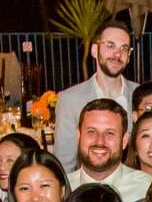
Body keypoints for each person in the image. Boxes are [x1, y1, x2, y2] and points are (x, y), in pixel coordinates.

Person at [54, 18, 137, 170]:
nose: (117, 54)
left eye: (124, 48)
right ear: (94, 50)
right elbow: (64, 163)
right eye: (110, 45)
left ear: (129, 56)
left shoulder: (140, 96)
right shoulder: (70, 100)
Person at [69, 96, 152, 202]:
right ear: (78, 136)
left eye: (109, 133)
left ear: (124, 140)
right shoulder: (61, 189)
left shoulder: (147, 189)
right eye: (91, 132)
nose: (99, 141)